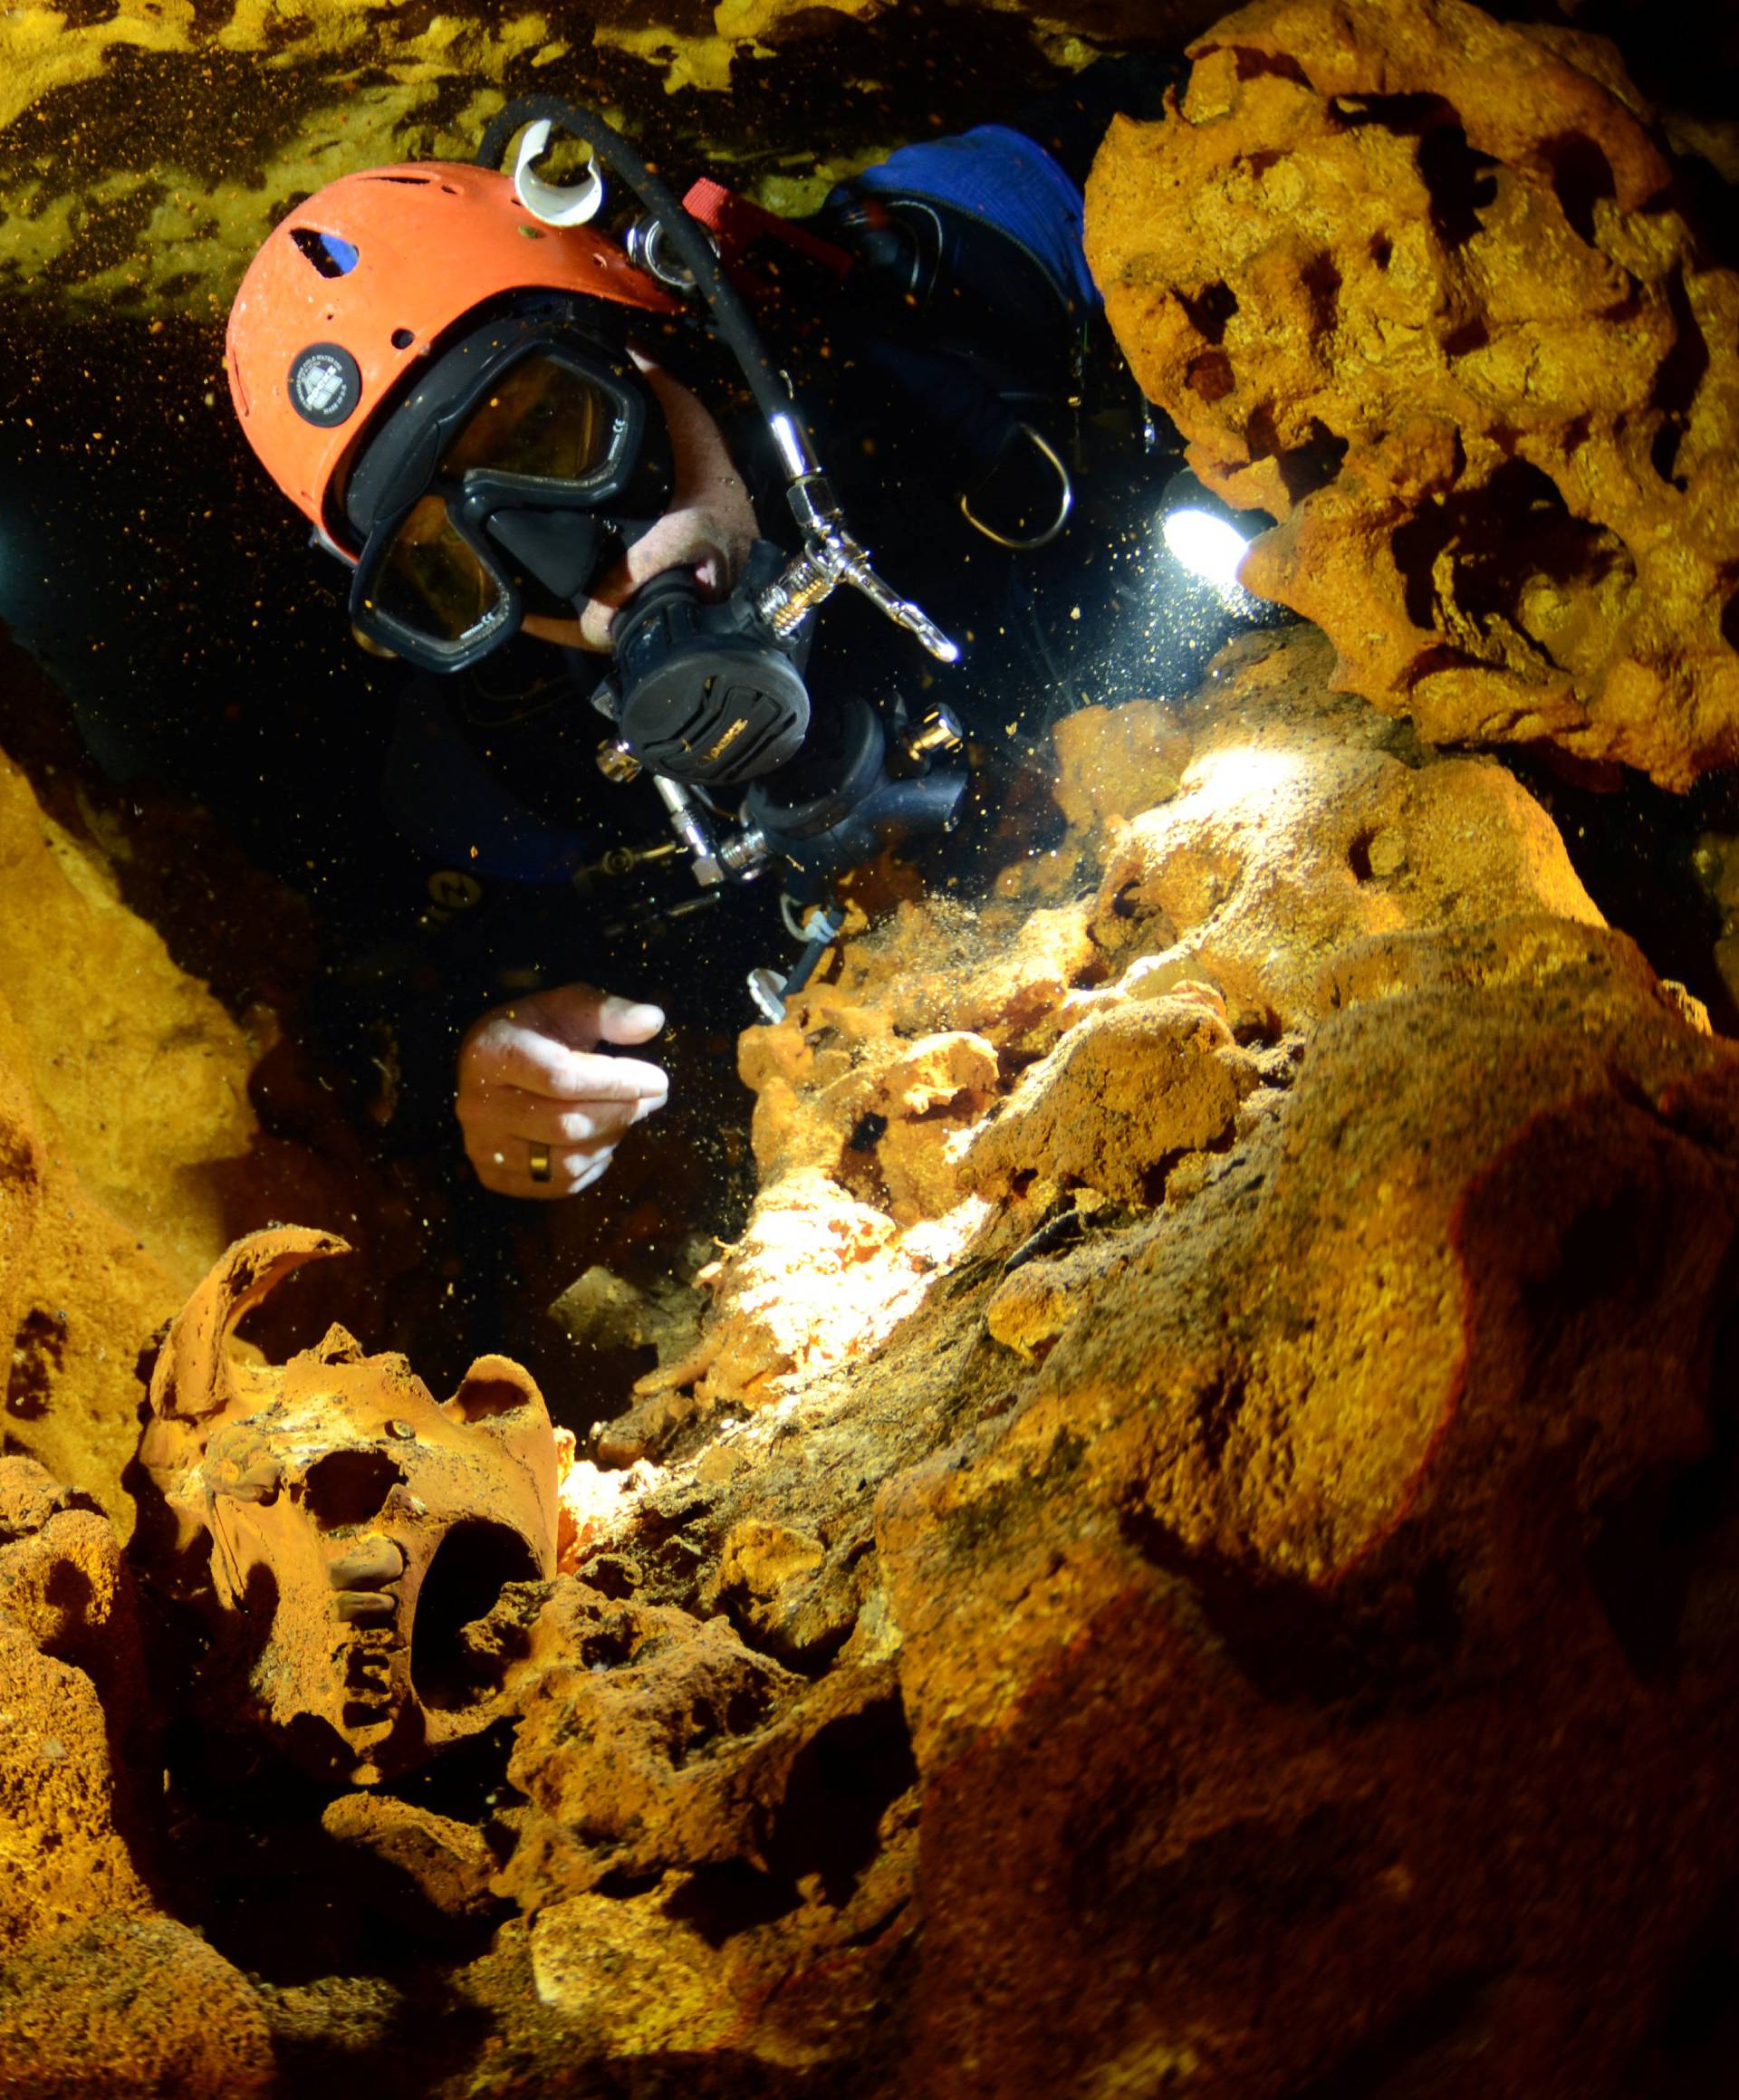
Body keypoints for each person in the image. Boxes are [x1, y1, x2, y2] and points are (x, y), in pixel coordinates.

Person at [224, 61, 1236, 1203]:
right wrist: (489, 1048)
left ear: (648, 326)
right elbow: (405, 977)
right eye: (460, 563)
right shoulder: (505, 758)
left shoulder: (923, 290)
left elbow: (1217, 130)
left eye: (554, 428)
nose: (587, 571)